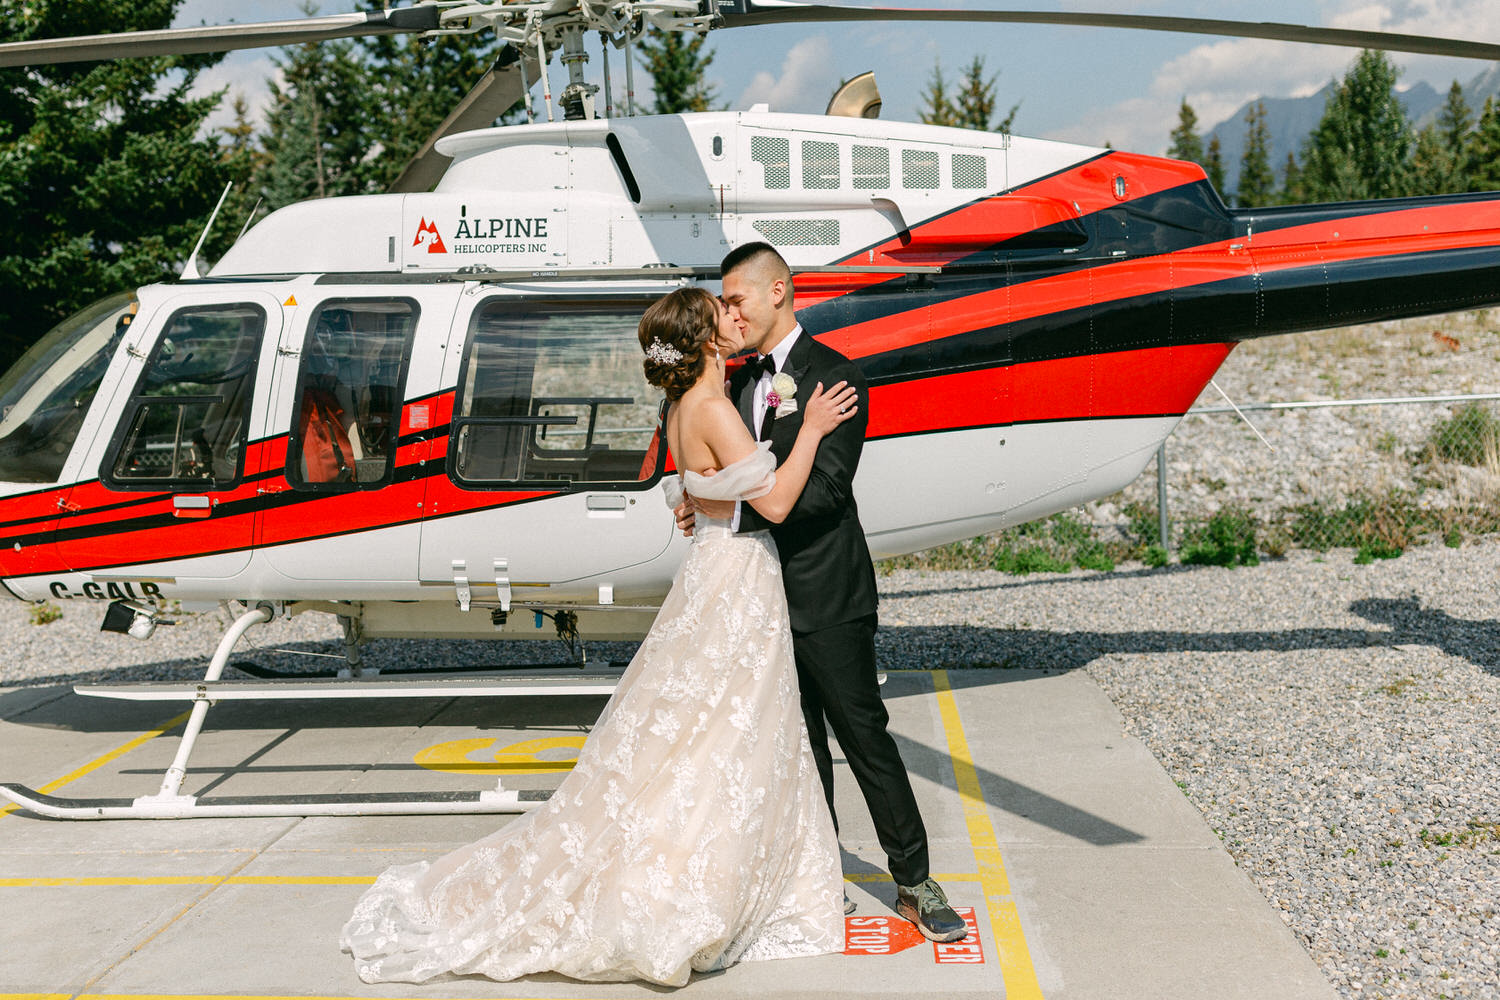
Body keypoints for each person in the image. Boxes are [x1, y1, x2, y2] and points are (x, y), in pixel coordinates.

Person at [340, 287, 860, 986]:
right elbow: (774, 500)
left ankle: (717, 870)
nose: (738, 321)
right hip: (737, 579)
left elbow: (699, 493)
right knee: (731, 731)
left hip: (716, 571)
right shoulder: (709, 407)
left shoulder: (683, 409)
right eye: (724, 316)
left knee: (706, 732)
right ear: (705, 340)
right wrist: (817, 429)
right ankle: (710, 886)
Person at [678, 242, 968, 943]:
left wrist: (732, 507)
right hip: (757, 597)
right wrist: (697, 500)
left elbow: (826, 491)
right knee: (796, 746)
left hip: (827, 593)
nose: (728, 313)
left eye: (736, 299)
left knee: (864, 737)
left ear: (778, 290)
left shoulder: (835, 379)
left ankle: (915, 879)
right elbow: (717, 467)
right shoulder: (739, 387)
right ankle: (817, 874)